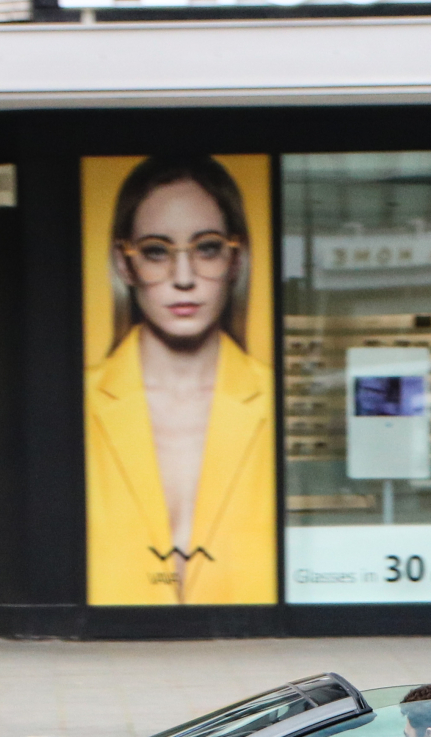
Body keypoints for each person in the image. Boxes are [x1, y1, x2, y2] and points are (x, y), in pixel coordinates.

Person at [84, 156, 275, 605]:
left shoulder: (274, 397)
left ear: (236, 257)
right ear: (124, 263)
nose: (183, 279)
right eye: (156, 251)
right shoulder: (79, 402)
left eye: (206, 248)